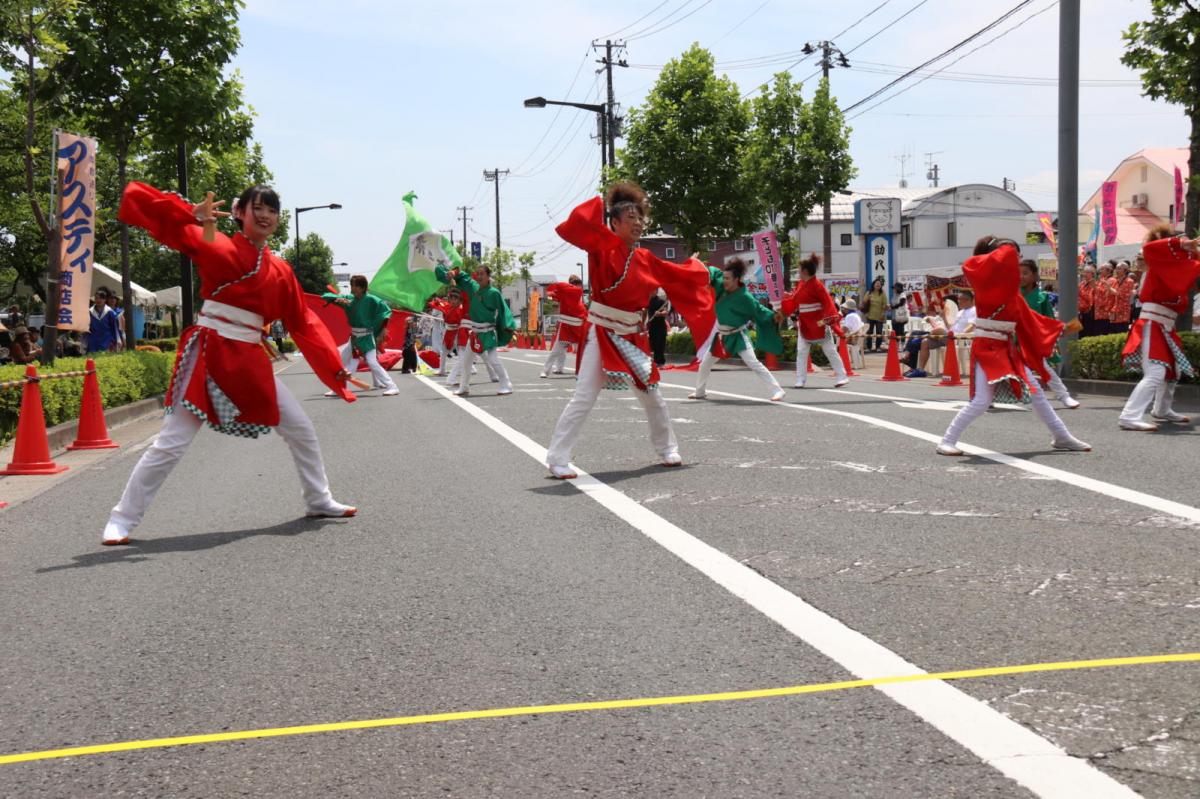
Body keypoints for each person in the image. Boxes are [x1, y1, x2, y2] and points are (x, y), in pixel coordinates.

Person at [102, 182, 358, 546]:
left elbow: (303, 321)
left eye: (272, 209)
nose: (265, 215)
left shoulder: (281, 270)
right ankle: (122, 518)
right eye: (258, 208)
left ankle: (318, 499)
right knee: (172, 442)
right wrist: (189, 214)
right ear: (239, 212)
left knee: (300, 428)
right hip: (210, 352)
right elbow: (161, 219)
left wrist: (334, 366)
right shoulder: (216, 242)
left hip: (249, 358)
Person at [545, 181, 715, 479]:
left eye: (640, 219)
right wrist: (603, 204)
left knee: (652, 395)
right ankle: (557, 457)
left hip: (633, 338)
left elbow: (677, 274)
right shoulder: (602, 249)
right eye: (630, 218)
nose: (638, 224)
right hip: (603, 334)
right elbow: (578, 226)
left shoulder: (645, 259)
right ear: (614, 223)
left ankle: (666, 449)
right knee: (584, 396)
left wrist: (699, 268)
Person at [937, 236, 1089, 456]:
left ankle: (1061, 435)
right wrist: (1004, 246)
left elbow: (1031, 319)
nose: (1016, 260)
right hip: (988, 347)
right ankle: (946, 440)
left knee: (1035, 392)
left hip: (1005, 348)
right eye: (1014, 255)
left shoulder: (1010, 292)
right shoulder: (985, 281)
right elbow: (985, 261)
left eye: (1018, 256)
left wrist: (1058, 329)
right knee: (982, 400)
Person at [1117, 226, 1200, 430]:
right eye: (1179, 241)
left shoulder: (1174, 266)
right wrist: (1180, 243)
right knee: (1155, 371)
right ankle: (1129, 415)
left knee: (1173, 371)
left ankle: (1161, 409)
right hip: (1152, 323)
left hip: (1165, 326)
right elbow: (1150, 248)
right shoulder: (1155, 262)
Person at [690, 258, 785, 401]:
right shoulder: (720, 285)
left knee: (753, 363)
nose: (724, 280)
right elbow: (710, 273)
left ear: (737, 279)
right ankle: (700, 392)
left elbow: (759, 311)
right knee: (705, 364)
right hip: (721, 336)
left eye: (728, 278)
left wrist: (773, 317)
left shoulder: (745, 297)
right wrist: (697, 263)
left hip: (738, 335)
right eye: (724, 277)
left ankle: (777, 390)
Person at [435, 264, 514, 396]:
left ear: (488, 276)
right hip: (475, 333)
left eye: (482, 273)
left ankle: (506, 384)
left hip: (488, 332)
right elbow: (463, 276)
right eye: (477, 273)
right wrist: (453, 273)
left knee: (493, 359)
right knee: (466, 361)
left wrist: (508, 326)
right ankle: (464, 387)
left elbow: (503, 310)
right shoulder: (473, 288)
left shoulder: (494, 293)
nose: (479, 276)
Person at [321, 275, 399, 396]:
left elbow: (385, 310)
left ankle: (392, 386)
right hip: (355, 339)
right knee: (345, 361)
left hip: (367, 337)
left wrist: (383, 329)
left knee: (372, 362)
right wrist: (336, 298)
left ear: (363, 288)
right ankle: (339, 388)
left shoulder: (371, 299)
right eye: (352, 285)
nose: (353, 287)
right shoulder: (349, 299)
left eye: (356, 285)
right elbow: (325, 296)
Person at [780, 254, 849, 389]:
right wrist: (785, 300)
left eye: (799, 269)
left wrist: (830, 318)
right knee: (801, 351)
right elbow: (794, 300)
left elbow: (828, 303)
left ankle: (842, 376)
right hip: (805, 322)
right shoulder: (801, 284)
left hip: (820, 322)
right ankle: (800, 379)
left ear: (805, 271)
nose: (798, 271)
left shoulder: (818, 285)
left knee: (829, 349)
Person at [1019, 259, 1079, 409]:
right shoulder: (1014, 295)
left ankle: (1064, 396)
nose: (1021, 276)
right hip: (1013, 339)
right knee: (1000, 369)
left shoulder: (1042, 297)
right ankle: (987, 398)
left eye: (1025, 273)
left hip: (1032, 341)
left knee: (1044, 368)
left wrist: (1056, 334)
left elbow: (1050, 321)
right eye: (1018, 273)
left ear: (1034, 275)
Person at [542, 275, 586, 377]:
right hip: (566, 326)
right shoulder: (565, 293)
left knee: (582, 351)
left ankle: (580, 370)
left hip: (578, 327)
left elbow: (552, 294)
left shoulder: (577, 295)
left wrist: (553, 294)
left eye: (579, 286)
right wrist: (550, 295)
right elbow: (550, 295)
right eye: (575, 286)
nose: (578, 289)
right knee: (557, 350)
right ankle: (548, 370)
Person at [86, 288, 122, 353]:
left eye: (101, 298)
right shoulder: (89, 312)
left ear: (105, 300)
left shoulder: (110, 312)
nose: (98, 300)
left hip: (107, 341)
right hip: (93, 342)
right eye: (96, 298)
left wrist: (115, 341)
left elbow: (114, 329)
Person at [861, 277, 887, 352]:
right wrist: (868, 298)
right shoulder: (869, 292)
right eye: (876, 283)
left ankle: (878, 347)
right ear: (873, 285)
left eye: (879, 284)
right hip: (870, 316)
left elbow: (885, 305)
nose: (878, 285)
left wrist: (883, 314)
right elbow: (864, 302)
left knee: (879, 332)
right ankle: (869, 347)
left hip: (880, 316)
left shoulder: (882, 293)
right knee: (869, 332)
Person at [1110, 261, 1136, 334]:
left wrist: (1110, 289)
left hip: (1123, 313)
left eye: (1119, 269)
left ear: (1125, 271)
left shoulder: (1129, 281)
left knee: (1121, 333)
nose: (1116, 271)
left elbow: (1124, 296)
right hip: (1114, 312)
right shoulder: (1116, 281)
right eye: (1116, 269)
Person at [646, 288, 671, 367]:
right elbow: (645, 311)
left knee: (660, 344)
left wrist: (659, 313)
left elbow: (666, 312)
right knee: (653, 343)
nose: (651, 291)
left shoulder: (661, 301)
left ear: (656, 291)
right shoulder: (648, 301)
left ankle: (660, 361)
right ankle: (654, 360)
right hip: (651, 325)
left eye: (653, 290)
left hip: (660, 326)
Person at [841, 298, 866, 370]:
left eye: (845, 308)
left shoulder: (849, 316)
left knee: (839, 343)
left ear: (848, 308)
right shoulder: (856, 315)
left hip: (853, 339)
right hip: (858, 338)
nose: (844, 309)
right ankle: (855, 362)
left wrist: (838, 332)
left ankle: (843, 363)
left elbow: (845, 329)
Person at [1078, 265, 1097, 337]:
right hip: (1081, 312)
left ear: (1092, 274)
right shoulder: (1081, 284)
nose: (1084, 274)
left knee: (1088, 332)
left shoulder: (1094, 284)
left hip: (1090, 312)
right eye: (1084, 272)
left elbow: (1091, 297)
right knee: (1081, 332)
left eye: (1087, 272)